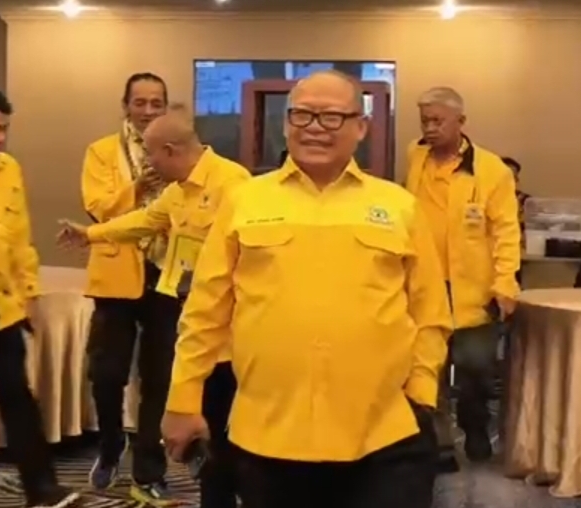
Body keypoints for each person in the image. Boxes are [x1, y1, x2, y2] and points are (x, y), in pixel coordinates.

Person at [160, 70, 452, 508]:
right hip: (267, 436)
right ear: (285, 123)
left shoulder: (399, 206)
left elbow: (431, 312)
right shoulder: (245, 200)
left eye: (332, 116)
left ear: (361, 127)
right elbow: (205, 311)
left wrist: (422, 394)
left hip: (384, 434)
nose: (315, 127)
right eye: (302, 115)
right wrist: (183, 399)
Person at [57, 105, 250, 508]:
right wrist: (90, 234)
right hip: (196, 327)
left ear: (170, 150)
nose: (147, 162)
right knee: (209, 438)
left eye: (150, 153)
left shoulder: (233, 185)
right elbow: (144, 220)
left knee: (233, 436)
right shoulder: (179, 192)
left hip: (233, 337)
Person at [72, 72, 175, 505]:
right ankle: (112, 443)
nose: (148, 110)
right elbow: (97, 208)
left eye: (156, 103)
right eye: (140, 102)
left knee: (159, 377)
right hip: (116, 273)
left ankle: (149, 467)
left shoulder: (178, 150)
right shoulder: (101, 151)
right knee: (107, 373)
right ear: (126, 105)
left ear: (165, 106)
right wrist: (138, 188)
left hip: (167, 274)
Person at [405, 86, 521, 462]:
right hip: (425, 284)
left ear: (461, 122)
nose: (430, 128)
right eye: (425, 120)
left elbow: (506, 231)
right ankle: (438, 443)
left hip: (474, 289)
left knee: (475, 367)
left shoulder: (491, 170)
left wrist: (505, 282)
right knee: (428, 366)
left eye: (438, 120)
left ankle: (474, 426)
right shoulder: (415, 155)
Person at [0, 82, 79, 507]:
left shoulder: (9, 170)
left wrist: (30, 296)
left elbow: (20, 240)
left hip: (0, 310)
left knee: (18, 399)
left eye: (3, 129)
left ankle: (41, 490)